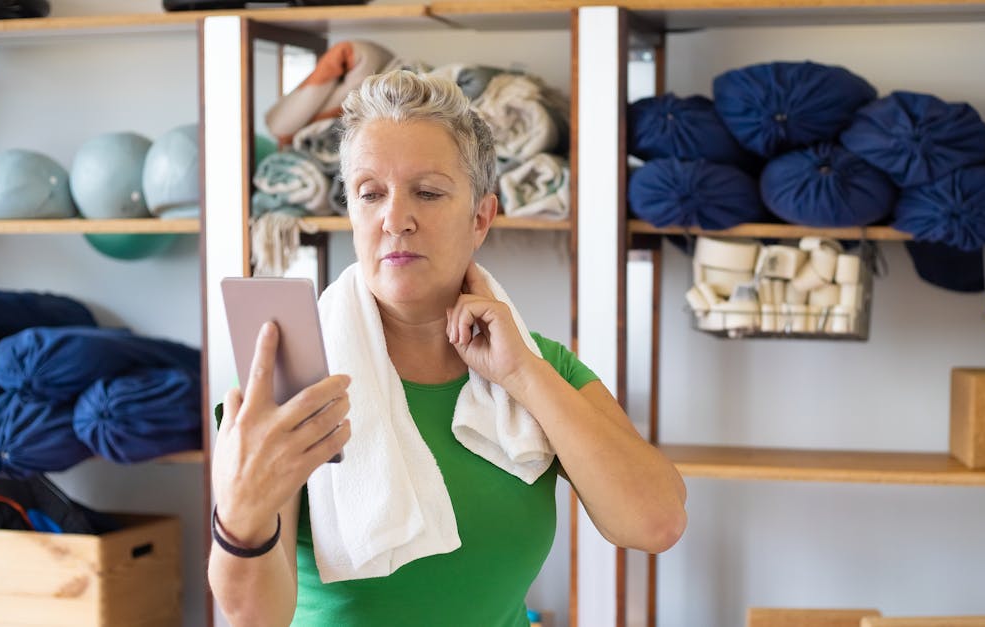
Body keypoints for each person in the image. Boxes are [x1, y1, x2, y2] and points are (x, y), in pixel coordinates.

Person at [208, 70, 687, 627]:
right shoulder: (293, 381)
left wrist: (524, 376)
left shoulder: (539, 367)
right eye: (371, 194)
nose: (395, 220)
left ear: (481, 217)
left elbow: (655, 524)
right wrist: (241, 512)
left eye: (428, 193)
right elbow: (252, 615)